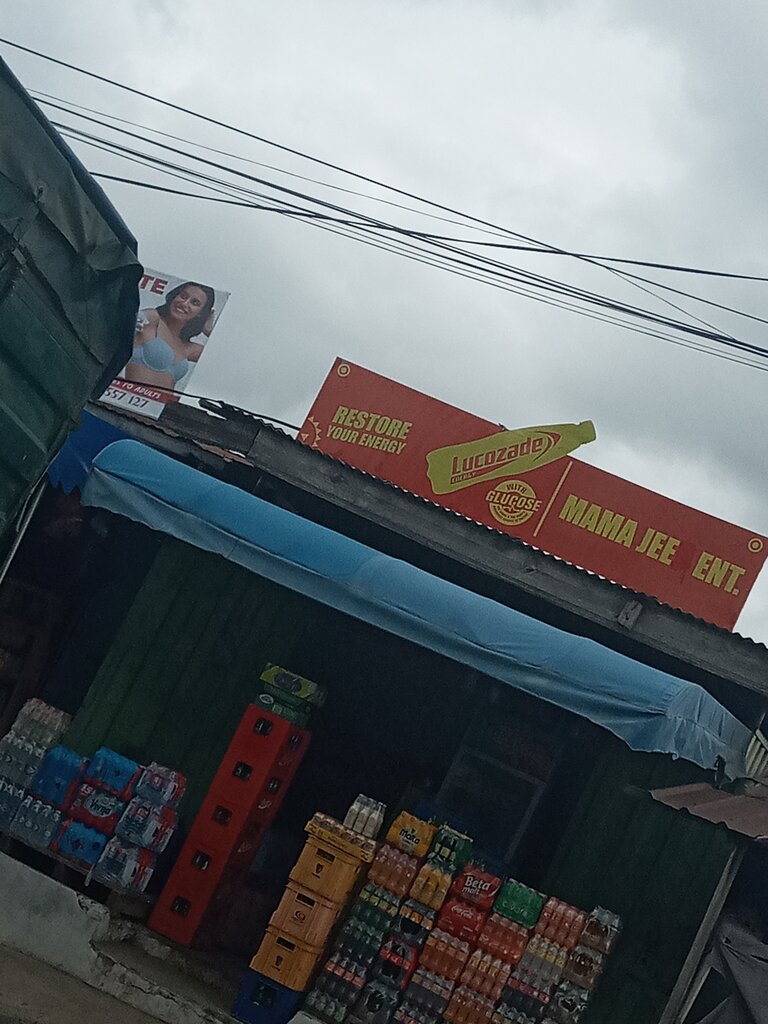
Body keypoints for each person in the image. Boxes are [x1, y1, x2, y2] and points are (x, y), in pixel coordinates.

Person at [123, 281, 216, 390]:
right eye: (183, 296)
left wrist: (209, 331)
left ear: (201, 312)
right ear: (174, 296)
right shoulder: (153, 318)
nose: (185, 303)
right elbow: (121, 326)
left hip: (161, 405)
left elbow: (219, 361)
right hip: (124, 397)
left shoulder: (188, 347)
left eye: (194, 303)